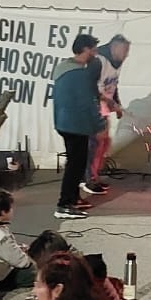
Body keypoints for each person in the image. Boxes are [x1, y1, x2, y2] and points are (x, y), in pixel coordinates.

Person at [52, 33, 104, 220]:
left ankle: (73, 197)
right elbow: (87, 103)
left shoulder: (63, 68)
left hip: (65, 122)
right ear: (85, 49)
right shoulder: (79, 74)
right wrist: (99, 125)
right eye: (93, 49)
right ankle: (64, 204)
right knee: (75, 165)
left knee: (76, 163)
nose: (95, 53)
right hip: (75, 125)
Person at [83, 34, 131, 198]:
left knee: (103, 144)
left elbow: (113, 86)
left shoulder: (116, 64)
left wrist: (116, 104)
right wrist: (107, 102)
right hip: (93, 109)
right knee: (94, 145)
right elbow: (88, 86)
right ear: (114, 48)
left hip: (103, 108)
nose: (126, 55)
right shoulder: (99, 61)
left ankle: (94, 176)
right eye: (124, 51)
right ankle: (88, 179)